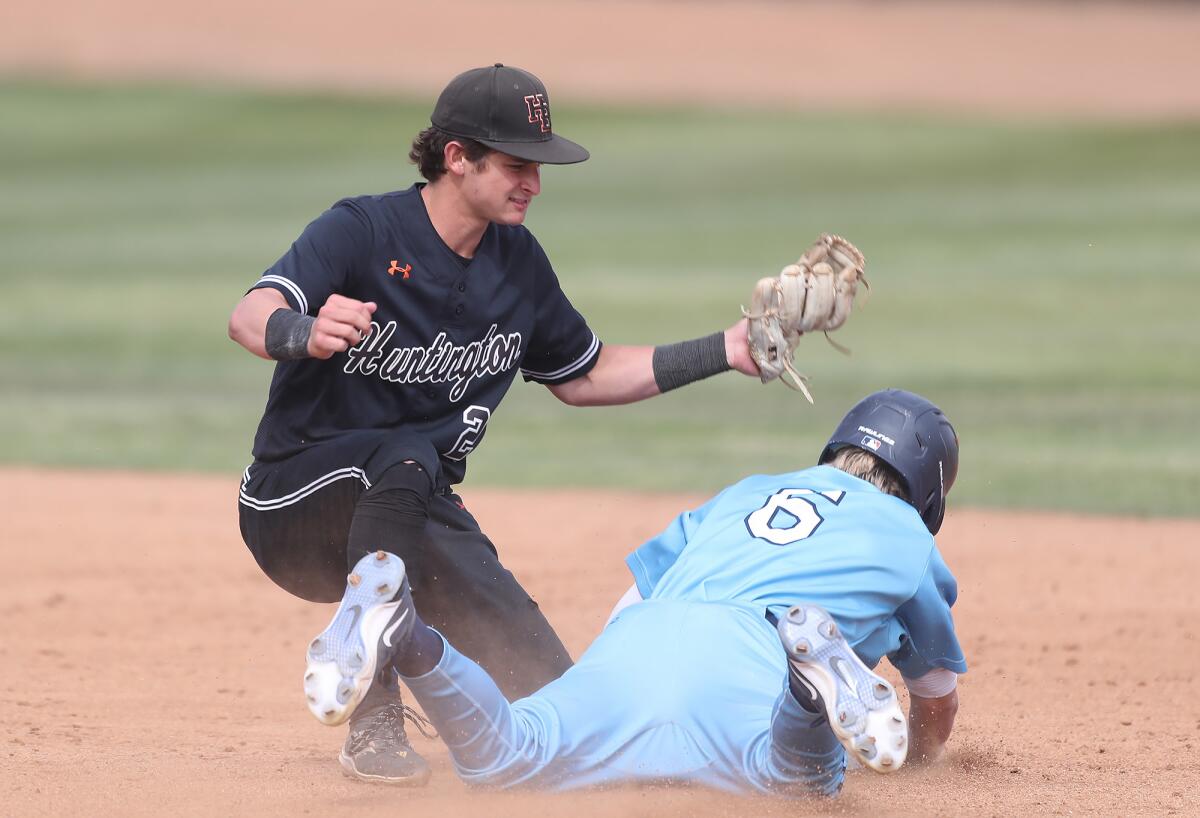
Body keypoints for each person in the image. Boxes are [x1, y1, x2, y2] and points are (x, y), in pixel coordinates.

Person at [227, 63, 760, 785]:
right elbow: (250, 314)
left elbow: (586, 374)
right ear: (456, 157)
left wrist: (726, 349)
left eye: (537, 167)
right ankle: (374, 712)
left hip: (410, 511)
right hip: (295, 501)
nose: (533, 184)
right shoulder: (362, 229)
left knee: (550, 690)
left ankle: (593, 748)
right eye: (516, 165)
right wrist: (301, 329)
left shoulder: (518, 264)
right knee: (408, 455)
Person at [321, 388, 966, 797]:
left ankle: (408, 635)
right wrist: (924, 761)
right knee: (798, 782)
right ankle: (805, 689)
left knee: (511, 758)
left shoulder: (752, 488)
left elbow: (632, 600)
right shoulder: (908, 536)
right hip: (750, 650)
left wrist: (603, 690)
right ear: (929, 491)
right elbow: (935, 694)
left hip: (641, 634)